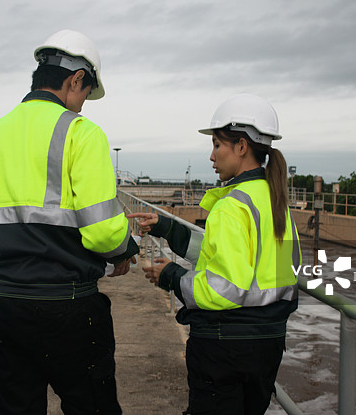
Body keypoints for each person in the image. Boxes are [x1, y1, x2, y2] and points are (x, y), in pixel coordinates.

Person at [0, 29, 139, 414]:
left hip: (3, 307)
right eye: (86, 94)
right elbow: (103, 230)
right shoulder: (80, 133)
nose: (83, 105)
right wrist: (126, 249)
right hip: (67, 308)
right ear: (76, 80)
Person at [128, 94, 300, 415]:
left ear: (241, 147)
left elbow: (223, 288)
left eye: (218, 145)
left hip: (225, 348)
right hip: (267, 344)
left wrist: (169, 275)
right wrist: (168, 228)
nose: (211, 155)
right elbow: (240, 261)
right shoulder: (274, 201)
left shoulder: (231, 206)